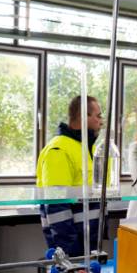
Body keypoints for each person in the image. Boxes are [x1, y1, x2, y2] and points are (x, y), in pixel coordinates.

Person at [36, 95, 103, 256]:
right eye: (98, 116)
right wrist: (71, 253)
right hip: (71, 247)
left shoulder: (86, 148)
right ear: (84, 116)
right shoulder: (58, 150)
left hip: (88, 241)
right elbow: (56, 207)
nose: (101, 122)